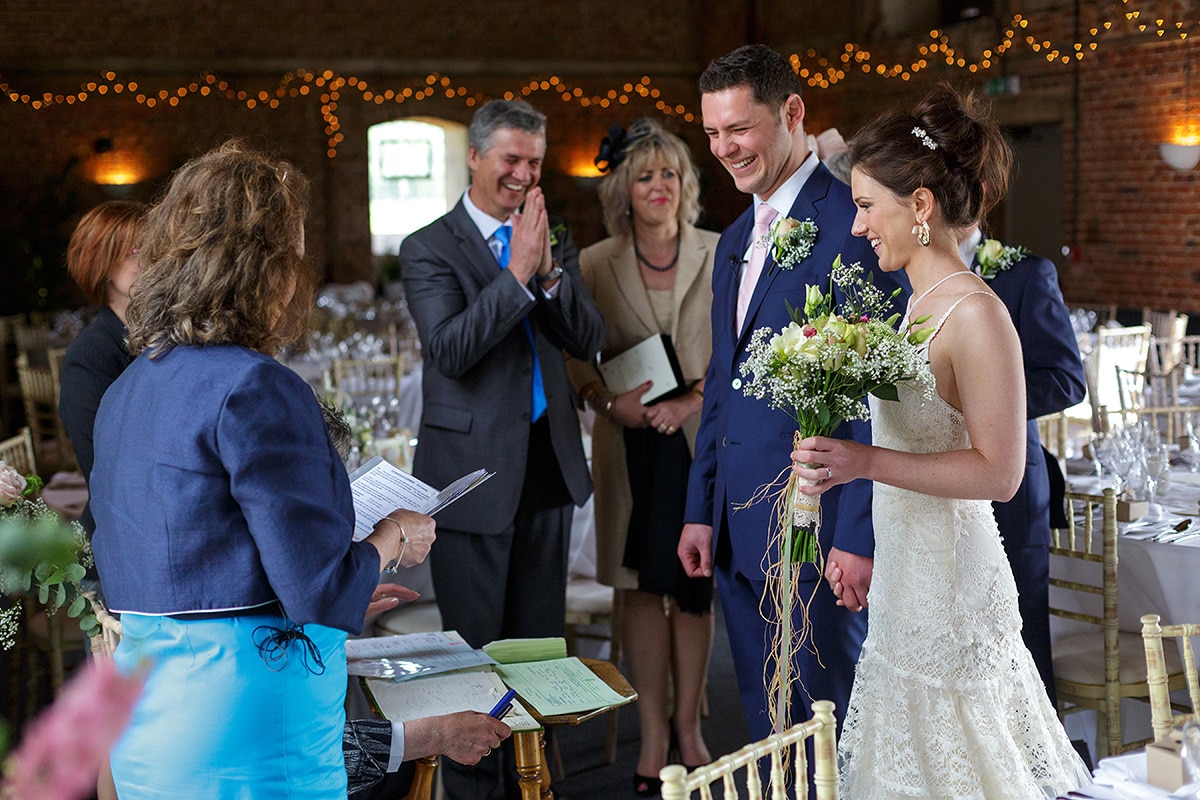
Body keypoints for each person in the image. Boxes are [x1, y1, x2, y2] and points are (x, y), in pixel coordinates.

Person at [89, 141, 436, 798]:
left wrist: (351, 577)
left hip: (147, 712)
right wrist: (393, 539)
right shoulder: (256, 386)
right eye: (292, 256)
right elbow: (315, 592)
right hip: (244, 721)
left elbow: (197, 556)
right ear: (264, 269)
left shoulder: (127, 388)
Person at [793, 84, 1091, 797]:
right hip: (908, 574)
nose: (859, 226)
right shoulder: (918, 303)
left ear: (919, 207)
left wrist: (863, 462)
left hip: (954, 589)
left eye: (868, 206)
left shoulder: (976, 313)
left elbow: (1000, 472)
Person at [678, 44, 904, 744]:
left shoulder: (854, 225)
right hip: (739, 531)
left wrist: (859, 535)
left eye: (738, 129)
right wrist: (700, 510)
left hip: (821, 530)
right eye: (713, 133)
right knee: (766, 729)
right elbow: (724, 384)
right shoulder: (735, 239)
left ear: (793, 113)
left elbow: (882, 392)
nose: (725, 148)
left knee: (825, 728)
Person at [399, 99, 605, 800]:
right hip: (471, 477)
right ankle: (475, 789)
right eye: (511, 159)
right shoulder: (427, 247)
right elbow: (451, 351)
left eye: (534, 162)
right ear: (477, 158)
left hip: (547, 468)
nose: (523, 174)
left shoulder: (550, 233)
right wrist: (515, 275)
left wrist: (548, 274)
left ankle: (534, 784)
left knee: (538, 652)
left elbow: (587, 339)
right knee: (476, 656)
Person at [566, 118, 717, 795]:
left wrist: (694, 403)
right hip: (630, 449)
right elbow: (574, 359)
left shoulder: (722, 252)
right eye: (645, 176)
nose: (659, 186)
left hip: (699, 445)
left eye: (670, 174)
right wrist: (605, 402)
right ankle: (653, 736)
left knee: (693, 589)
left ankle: (690, 729)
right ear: (623, 190)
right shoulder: (594, 263)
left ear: (685, 185)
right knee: (638, 588)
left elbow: (746, 353)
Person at [958, 221, 1087, 705]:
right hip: (941, 486)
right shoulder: (901, 273)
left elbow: (1066, 379)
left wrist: (983, 400)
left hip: (1010, 488)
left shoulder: (1024, 273)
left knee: (1021, 641)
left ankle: (1038, 774)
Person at [58, 200, 146, 544]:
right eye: (137, 250)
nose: (153, 260)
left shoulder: (166, 336)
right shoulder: (90, 355)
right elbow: (106, 470)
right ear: (104, 264)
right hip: (121, 540)